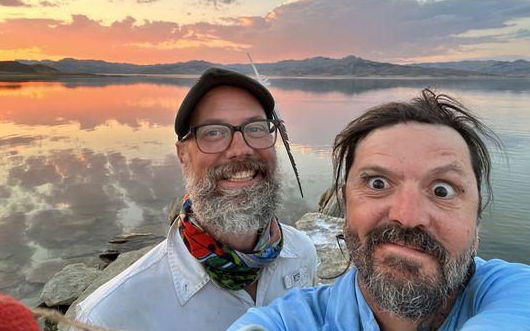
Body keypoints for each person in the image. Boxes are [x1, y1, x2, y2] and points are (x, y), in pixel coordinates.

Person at [229, 89, 530, 331]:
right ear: (345, 208)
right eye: (377, 183)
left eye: (443, 190)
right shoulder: (287, 321)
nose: (408, 216)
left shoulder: (513, 291)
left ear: (476, 225)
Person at [74, 68, 317, 330]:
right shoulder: (112, 316)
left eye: (256, 128)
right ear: (182, 156)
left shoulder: (302, 254)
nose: (241, 149)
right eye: (213, 132)